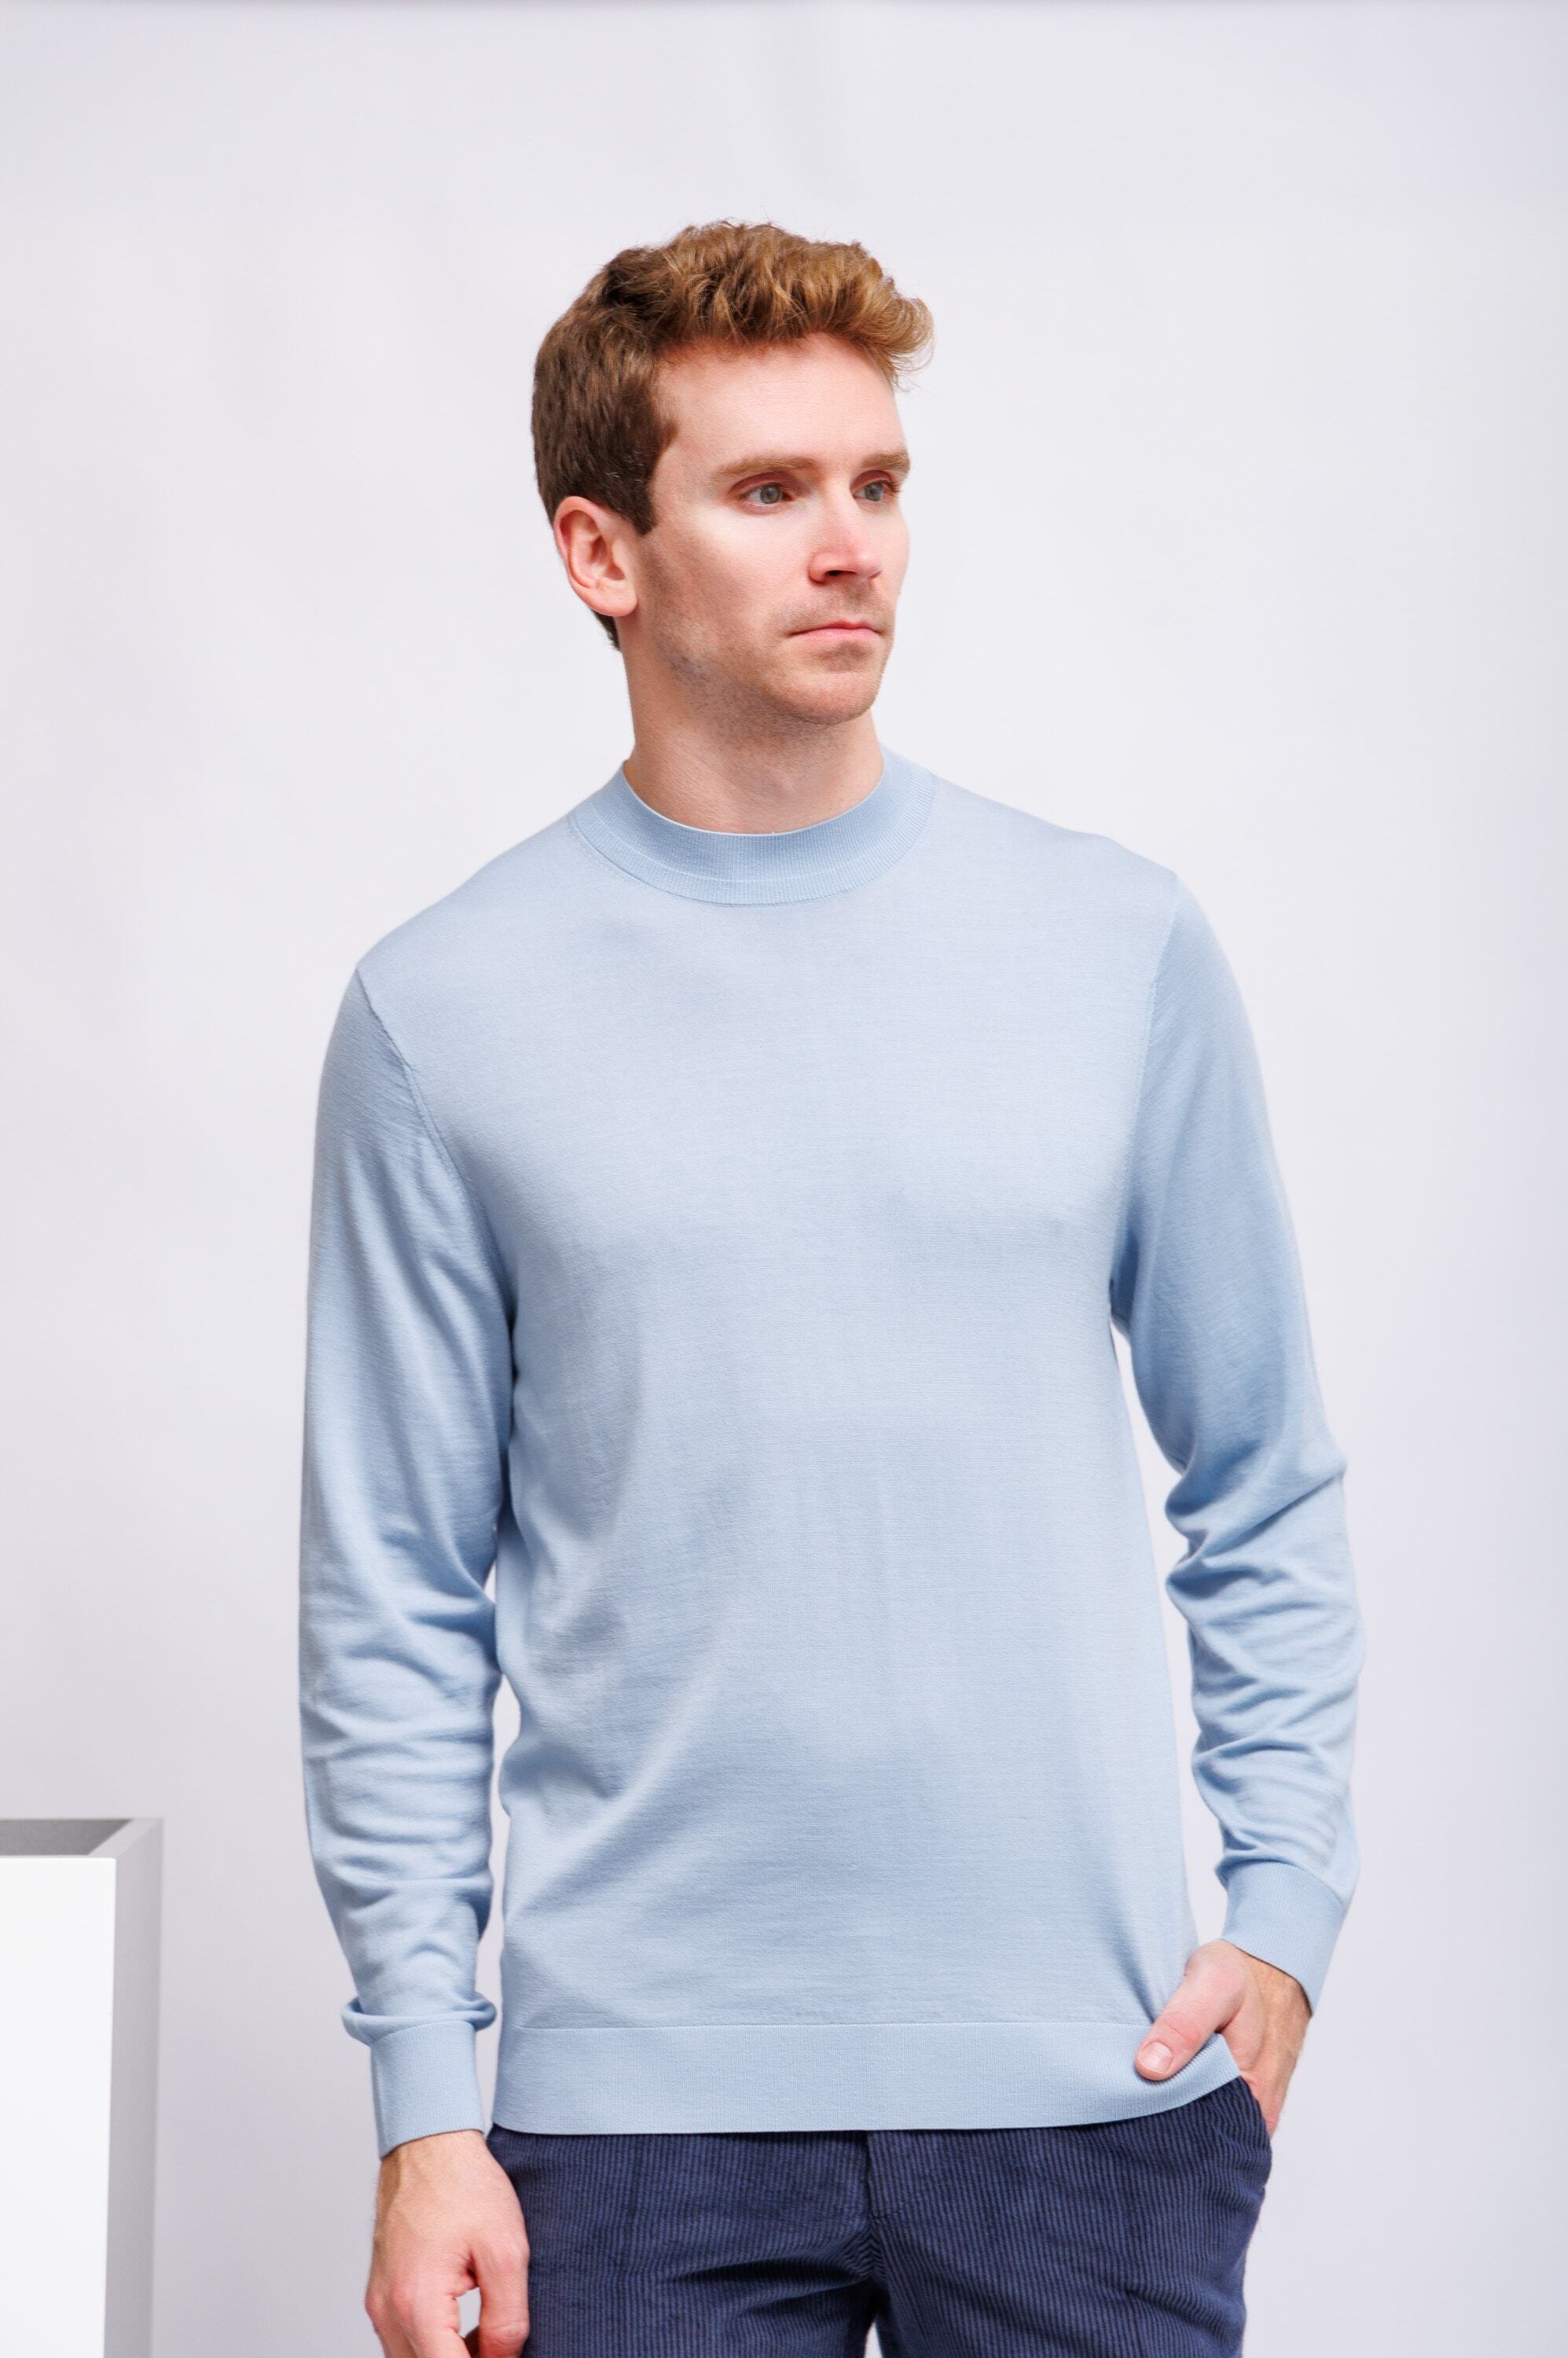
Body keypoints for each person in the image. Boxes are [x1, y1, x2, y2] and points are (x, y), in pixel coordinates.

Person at [298, 219, 1364, 2358]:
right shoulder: (443, 1011)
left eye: (876, 481)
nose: (850, 543)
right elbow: (394, 1589)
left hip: (1089, 2091)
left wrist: (1285, 1917)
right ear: (603, 552)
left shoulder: (1116, 946)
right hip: (631, 2129)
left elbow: (1262, 1475)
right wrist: (424, 2099)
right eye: (770, 489)